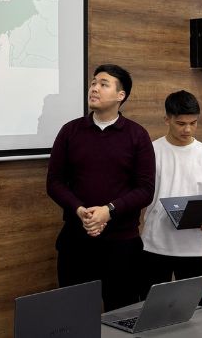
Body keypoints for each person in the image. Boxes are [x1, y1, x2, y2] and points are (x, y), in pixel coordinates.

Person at [46, 63, 156, 311]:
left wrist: (109, 210)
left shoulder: (137, 135)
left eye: (103, 84)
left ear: (120, 95)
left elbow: (145, 190)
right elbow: (54, 182)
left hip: (122, 245)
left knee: (122, 315)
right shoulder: (70, 131)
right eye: (94, 83)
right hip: (76, 242)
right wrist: (79, 210)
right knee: (74, 315)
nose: (94, 88)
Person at [140, 90, 202, 304]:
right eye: (181, 123)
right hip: (155, 244)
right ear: (167, 119)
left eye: (193, 123)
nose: (188, 129)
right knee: (153, 310)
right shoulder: (151, 151)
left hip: (194, 247)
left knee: (196, 310)